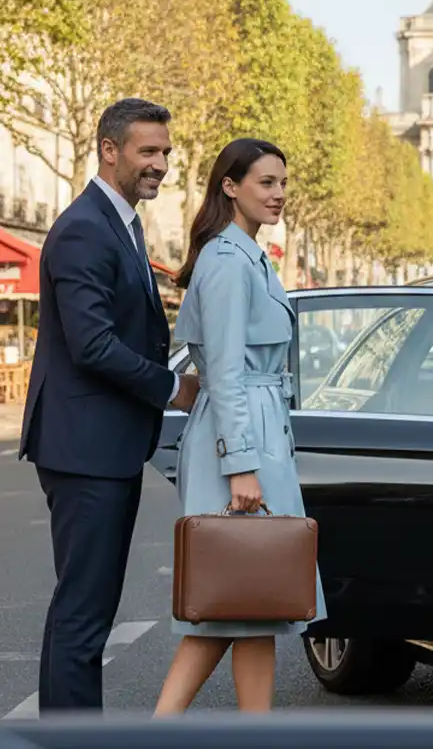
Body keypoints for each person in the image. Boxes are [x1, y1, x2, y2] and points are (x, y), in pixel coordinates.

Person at [19, 98, 200, 712]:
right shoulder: (83, 228)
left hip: (102, 444)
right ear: (109, 149)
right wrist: (172, 387)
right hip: (84, 447)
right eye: (148, 152)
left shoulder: (120, 221)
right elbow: (93, 344)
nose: (161, 165)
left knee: (85, 610)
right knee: (83, 614)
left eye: (166, 153)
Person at [154, 138, 326, 715]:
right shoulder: (229, 262)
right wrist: (241, 463)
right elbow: (223, 373)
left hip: (255, 426)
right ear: (230, 186)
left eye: (282, 182)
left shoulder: (247, 254)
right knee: (227, 598)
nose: (279, 194)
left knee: (258, 603)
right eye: (266, 182)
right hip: (242, 433)